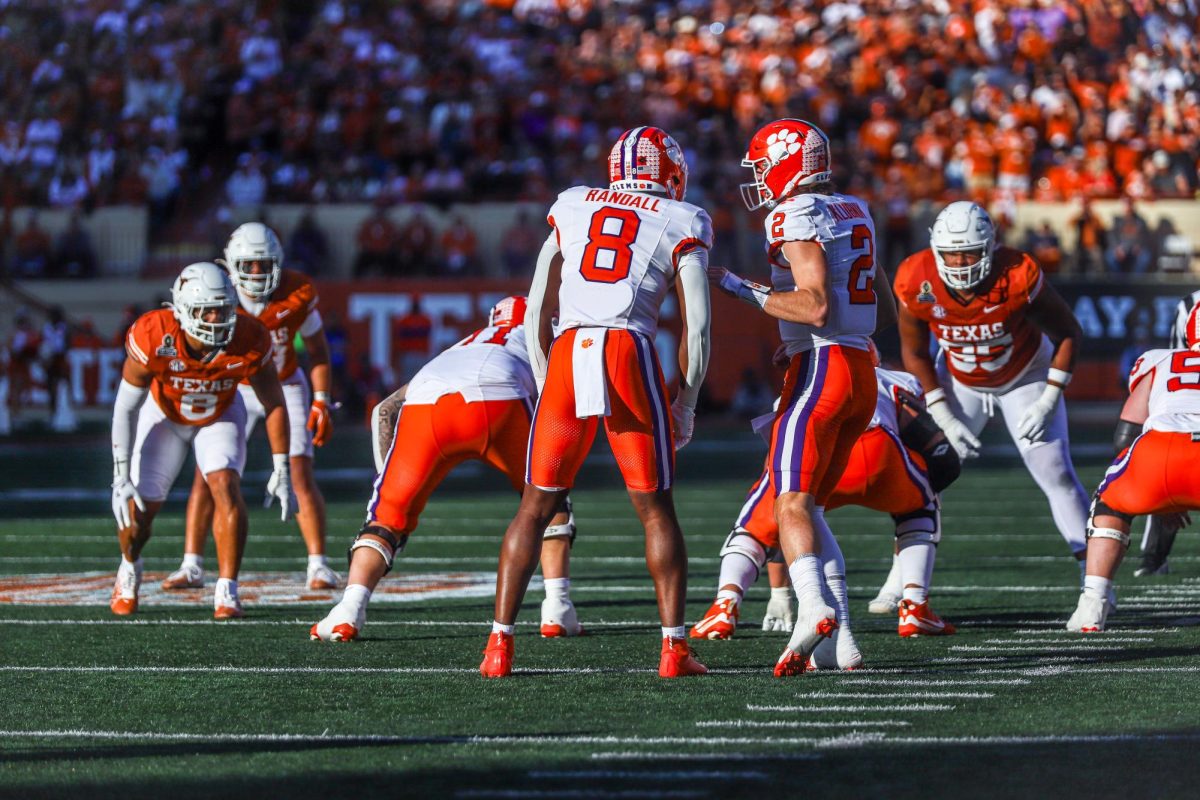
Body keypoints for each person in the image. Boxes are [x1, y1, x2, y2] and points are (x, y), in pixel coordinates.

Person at [481, 126, 713, 679]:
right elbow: (697, 329)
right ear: (670, 174)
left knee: (534, 507)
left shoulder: (575, 202)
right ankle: (673, 650)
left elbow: (540, 297)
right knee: (655, 508)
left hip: (568, 345)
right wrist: (686, 402)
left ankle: (498, 647)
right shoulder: (684, 219)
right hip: (626, 348)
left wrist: (544, 371)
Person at [710, 118, 896, 677]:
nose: (762, 177)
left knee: (788, 502)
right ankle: (844, 645)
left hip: (823, 366)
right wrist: (798, 339)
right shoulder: (854, 209)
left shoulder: (793, 214)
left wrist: (740, 288)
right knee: (809, 506)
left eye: (765, 164)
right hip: (859, 368)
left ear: (790, 163)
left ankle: (812, 606)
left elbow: (813, 305)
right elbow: (881, 308)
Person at [311, 296, 582, 642]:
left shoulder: (466, 343)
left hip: (430, 401)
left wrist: (389, 487)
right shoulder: (550, 337)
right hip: (504, 397)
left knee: (385, 518)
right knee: (549, 503)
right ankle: (557, 609)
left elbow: (384, 409)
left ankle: (349, 610)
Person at [690, 347, 958, 668]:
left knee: (767, 518)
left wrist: (779, 592)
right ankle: (914, 604)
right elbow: (936, 449)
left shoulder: (800, 382)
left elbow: (782, 504)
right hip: (878, 454)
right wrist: (935, 478)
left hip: (817, 452)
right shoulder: (884, 377)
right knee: (922, 505)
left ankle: (725, 603)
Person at [893, 201, 1096, 595]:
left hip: (1025, 376)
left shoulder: (1018, 272)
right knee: (922, 479)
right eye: (952, 254)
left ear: (991, 247)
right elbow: (915, 353)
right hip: (961, 380)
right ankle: (900, 581)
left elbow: (1069, 332)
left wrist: (1049, 397)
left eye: (969, 252)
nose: (961, 263)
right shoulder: (915, 277)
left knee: (1055, 471)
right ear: (935, 250)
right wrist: (944, 415)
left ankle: (1096, 578)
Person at [109, 262, 292, 619]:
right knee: (139, 513)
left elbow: (274, 403)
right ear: (181, 310)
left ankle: (227, 589)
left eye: (223, 308)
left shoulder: (250, 335)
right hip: (164, 414)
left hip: (220, 412)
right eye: (206, 310)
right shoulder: (153, 334)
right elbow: (125, 407)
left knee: (225, 484)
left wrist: (281, 465)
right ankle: (129, 567)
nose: (216, 317)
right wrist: (120, 474)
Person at [162, 223, 338, 592]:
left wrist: (321, 399)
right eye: (248, 264)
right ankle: (192, 564)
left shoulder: (296, 292)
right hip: (233, 386)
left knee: (299, 472)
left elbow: (318, 352)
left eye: (263, 263)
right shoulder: (217, 294)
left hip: (285, 383)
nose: (256, 272)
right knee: (208, 475)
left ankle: (318, 564)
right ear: (230, 265)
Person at [1067, 305, 1200, 632]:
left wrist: (1158, 492)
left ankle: (1092, 606)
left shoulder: (1160, 360)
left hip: (1160, 451)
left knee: (1109, 502)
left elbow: (1125, 434)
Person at [1133, 286, 1200, 577]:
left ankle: (1152, 558)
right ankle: (1153, 556)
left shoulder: (1191, 304)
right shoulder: (1190, 305)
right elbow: (1179, 359)